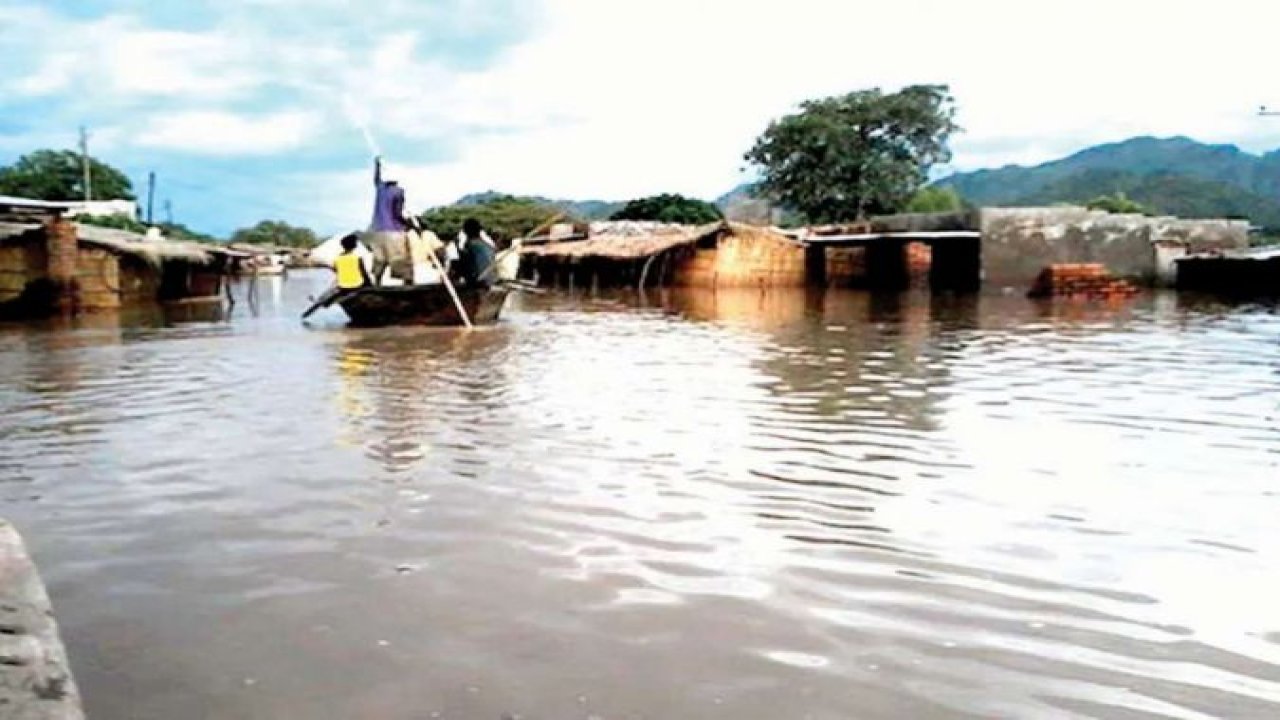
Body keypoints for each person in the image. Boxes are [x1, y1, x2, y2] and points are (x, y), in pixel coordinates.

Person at [363, 156, 411, 284]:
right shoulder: (399, 192)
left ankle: (377, 282)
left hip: (377, 231)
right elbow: (397, 213)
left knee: (379, 259)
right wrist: (408, 224)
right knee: (399, 260)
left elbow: (376, 179)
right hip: (394, 231)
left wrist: (377, 165)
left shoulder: (380, 189)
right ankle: (407, 284)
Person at [456, 217, 496, 287]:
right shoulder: (488, 245)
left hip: (479, 283)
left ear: (466, 231)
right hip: (492, 280)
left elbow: (467, 267)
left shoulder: (471, 245)